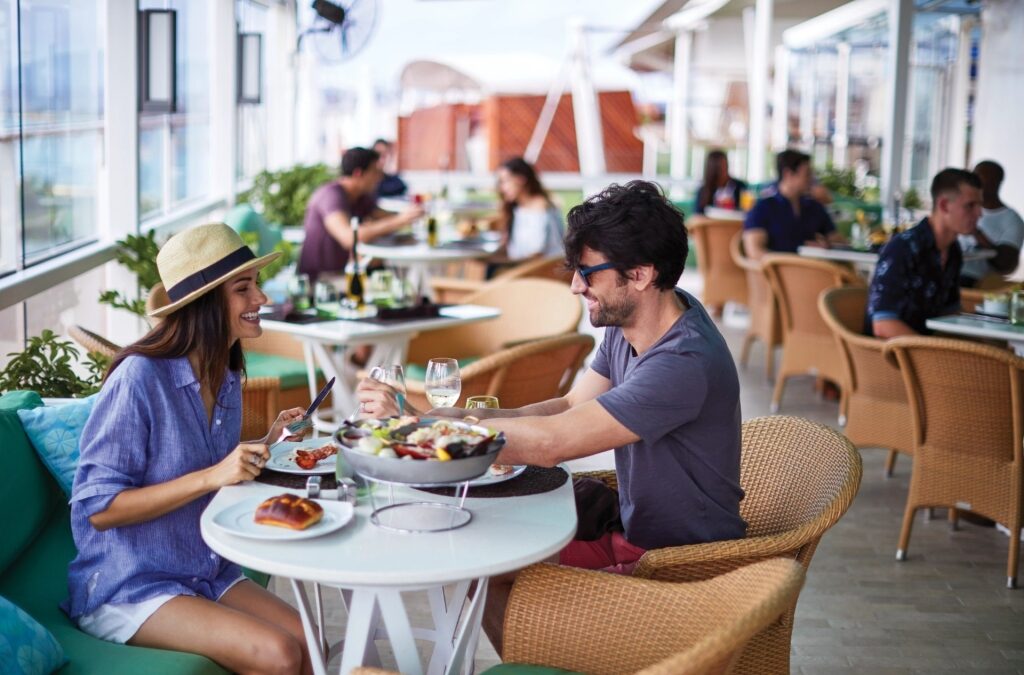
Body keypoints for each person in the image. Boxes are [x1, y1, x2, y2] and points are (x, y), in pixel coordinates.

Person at [358, 180, 746, 653]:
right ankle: (535, 659)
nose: (575, 285)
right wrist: (452, 416)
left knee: (485, 571)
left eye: (588, 272)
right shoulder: (639, 325)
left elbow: (554, 442)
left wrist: (419, 427)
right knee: (480, 562)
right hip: (631, 531)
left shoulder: (682, 363)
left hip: (673, 566)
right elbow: (567, 405)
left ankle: (541, 660)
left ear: (641, 274)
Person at [64, 223, 314, 674]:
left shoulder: (227, 370)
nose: (261, 299)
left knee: (308, 641)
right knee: (277, 654)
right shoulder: (138, 379)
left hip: (200, 566)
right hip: (130, 585)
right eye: (244, 289)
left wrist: (268, 441)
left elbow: (206, 461)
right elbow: (99, 509)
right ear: (206, 303)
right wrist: (215, 475)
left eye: (255, 285)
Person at [866, 168, 982, 338]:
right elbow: (883, 325)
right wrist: (931, 356)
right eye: (970, 205)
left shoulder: (953, 250)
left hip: (928, 351)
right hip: (889, 356)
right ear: (944, 205)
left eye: (980, 205)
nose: (980, 213)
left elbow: (950, 314)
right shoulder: (902, 248)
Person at [297, 146, 423, 282]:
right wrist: (400, 220)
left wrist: (409, 215)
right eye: (375, 171)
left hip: (345, 274)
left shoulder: (361, 197)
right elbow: (349, 237)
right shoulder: (331, 195)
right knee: (397, 284)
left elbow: (385, 216)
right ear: (358, 173)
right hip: (321, 280)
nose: (380, 177)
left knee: (403, 278)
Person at [743, 149, 845, 259]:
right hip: (776, 273)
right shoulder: (763, 208)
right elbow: (754, 251)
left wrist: (825, 245)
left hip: (812, 270)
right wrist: (791, 260)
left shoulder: (814, 207)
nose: (811, 179)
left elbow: (839, 241)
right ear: (788, 174)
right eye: (807, 174)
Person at [959, 160, 1024, 287]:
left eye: (979, 179)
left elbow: (1007, 265)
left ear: (996, 183)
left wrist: (977, 234)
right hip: (946, 271)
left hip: (974, 280)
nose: (974, 183)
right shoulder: (961, 208)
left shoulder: (1013, 220)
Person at [493, 157, 565, 262]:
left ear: (522, 179)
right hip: (521, 267)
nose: (502, 188)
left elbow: (536, 253)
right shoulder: (518, 208)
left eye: (506, 181)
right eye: (501, 183)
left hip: (539, 270)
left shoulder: (540, 208)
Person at [695, 149, 747, 214]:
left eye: (724, 165)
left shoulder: (740, 186)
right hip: (712, 223)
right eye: (719, 168)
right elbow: (698, 214)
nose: (722, 170)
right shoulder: (704, 190)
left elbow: (746, 211)